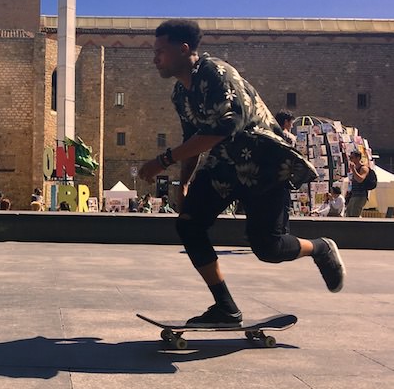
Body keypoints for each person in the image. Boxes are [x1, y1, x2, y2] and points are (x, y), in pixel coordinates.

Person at [138, 19, 345, 327]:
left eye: (160, 51)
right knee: (189, 226)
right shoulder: (180, 94)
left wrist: (162, 161)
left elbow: (220, 130)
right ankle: (225, 308)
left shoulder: (217, 74)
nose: (155, 58)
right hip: (224, 166)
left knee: (269, 247)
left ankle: (320, 247)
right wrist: (184, 183)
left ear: (183, 50)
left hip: (263, 163)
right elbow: (193, 138)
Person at [346, 151, 370, 217]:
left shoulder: (363, 168)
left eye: (352, 157)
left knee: (354, 215)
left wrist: (353, 170)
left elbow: (360, 179)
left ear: (358, 158)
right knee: (348, 214)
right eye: (350, 157)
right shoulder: (355, 169)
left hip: (360, 196)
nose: (350, 159)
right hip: (353, 195)